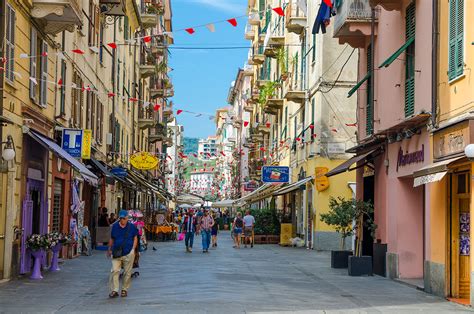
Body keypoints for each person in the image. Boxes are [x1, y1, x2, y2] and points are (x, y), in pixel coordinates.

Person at [107, 210, 138, 298]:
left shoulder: (132, 227)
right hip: (116, 252)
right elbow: (112, 238)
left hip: (128, 252)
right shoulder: (115, 226)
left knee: (127, 273)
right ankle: (115, 290)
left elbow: (135, 238)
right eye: (120, 218)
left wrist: (133, 249)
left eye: (124, 218)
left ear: (127, 218)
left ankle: (124, 289)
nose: (122, 220)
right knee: (114, 271)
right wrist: (109, 249)